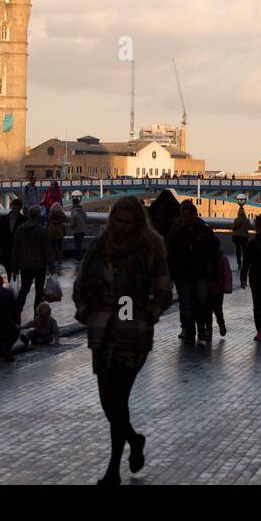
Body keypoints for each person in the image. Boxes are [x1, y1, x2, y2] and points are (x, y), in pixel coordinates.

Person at [73, 195, 172, 485]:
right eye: (118, 220)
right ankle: (134, 439)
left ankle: (113, 469)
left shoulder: (150, 247)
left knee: (118, 397)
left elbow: (164, 288)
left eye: (129, 222)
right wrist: (84, 309)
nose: (122, 226)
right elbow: (81, 282)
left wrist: (150, 313)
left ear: (138, 222)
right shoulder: (98, 247)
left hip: (133, 331)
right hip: (102, 329)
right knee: (107, 401)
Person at [166, 200, 219, 342]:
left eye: (186, 216)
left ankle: (201, 329)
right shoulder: (176, 231)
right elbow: (170, 254)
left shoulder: (204, 231)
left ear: (194, 215)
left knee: (202, 301)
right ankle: (189, 330)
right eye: (182, 216)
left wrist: (215, 275)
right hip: (182, 273)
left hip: (200, 273)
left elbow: (213, 253)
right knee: (186, 302)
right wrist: (171, 275)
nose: (183, 219)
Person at [12, 205, 56, 313]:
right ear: (38, 215)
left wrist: (14, 268)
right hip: (39, 265)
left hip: (25, 265)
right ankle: (38, 314)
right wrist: (52, 267)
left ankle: (17, 312)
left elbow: (15, 250)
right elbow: (48, 250)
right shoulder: (42, 230)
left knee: (24, 289)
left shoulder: (20, 229)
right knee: (39, 291)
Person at [206, 229, 232, 337]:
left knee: (215, 309)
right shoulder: (221, 257)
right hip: (214, 288)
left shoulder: (220, 258)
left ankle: (217, 326)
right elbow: (227, 274)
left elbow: (226, 273)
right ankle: (211, 328)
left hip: (215, 288)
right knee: (211, 310)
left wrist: (226, 287)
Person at [0, 197, 27, 282]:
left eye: (17, 208)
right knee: (9, 272)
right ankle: (12, 289)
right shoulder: (4, 218)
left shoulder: (24, 220)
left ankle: (16, 289)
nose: (15, 210)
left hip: (19, 250)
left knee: (19, 272)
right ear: (11, 207)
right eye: (14, 208)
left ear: (20, 208)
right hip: (6, 249)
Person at [232, 204, 250, 269]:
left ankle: (239, 263)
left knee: (238, 250)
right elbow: (248, 227)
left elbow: (233, 227)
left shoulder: (236, 220)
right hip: (244, 237)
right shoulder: (247, 220)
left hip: (237, 236)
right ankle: (245, 263)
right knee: (244, 250)